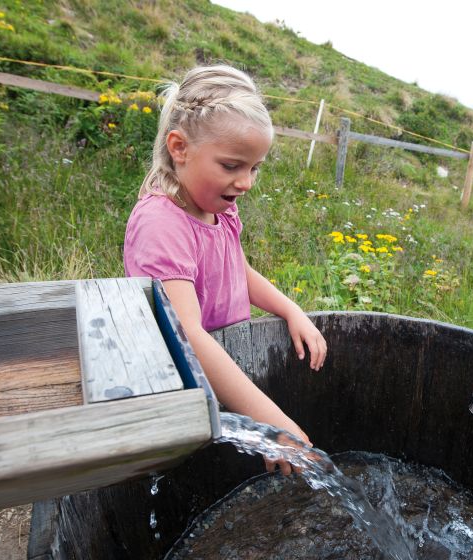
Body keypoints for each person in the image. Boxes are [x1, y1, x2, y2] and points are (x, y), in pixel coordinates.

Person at [124, 65, 327, 473]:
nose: (247, 182)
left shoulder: (220, 209)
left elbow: (236, 268)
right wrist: (273, 423)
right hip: (187, 384)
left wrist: (289, 309)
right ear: (179, 148)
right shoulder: (163, 224)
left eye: (254, 168)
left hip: (224, 370)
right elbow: (188, 335)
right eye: (232, 166)